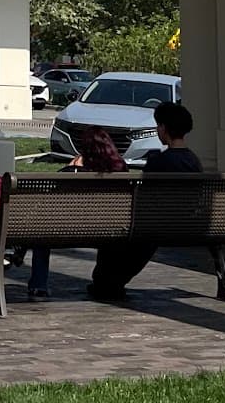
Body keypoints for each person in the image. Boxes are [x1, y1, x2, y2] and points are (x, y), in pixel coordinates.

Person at [89, 100, 202, 302]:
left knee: (117, 236)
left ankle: (106, 283)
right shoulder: (194, 161)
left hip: (156, 225)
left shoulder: (159, 161)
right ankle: (110, 283)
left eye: (158, 125)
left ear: (163, 128)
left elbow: (143, 196)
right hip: (187, 225)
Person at [25, 126, 126, 300]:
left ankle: (38, 285)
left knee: (41, 237)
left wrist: (71, 168)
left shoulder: (73, 171)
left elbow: (51, 199)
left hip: (67, 231)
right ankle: (108, 284)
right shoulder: (120, 170)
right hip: (110, 231)